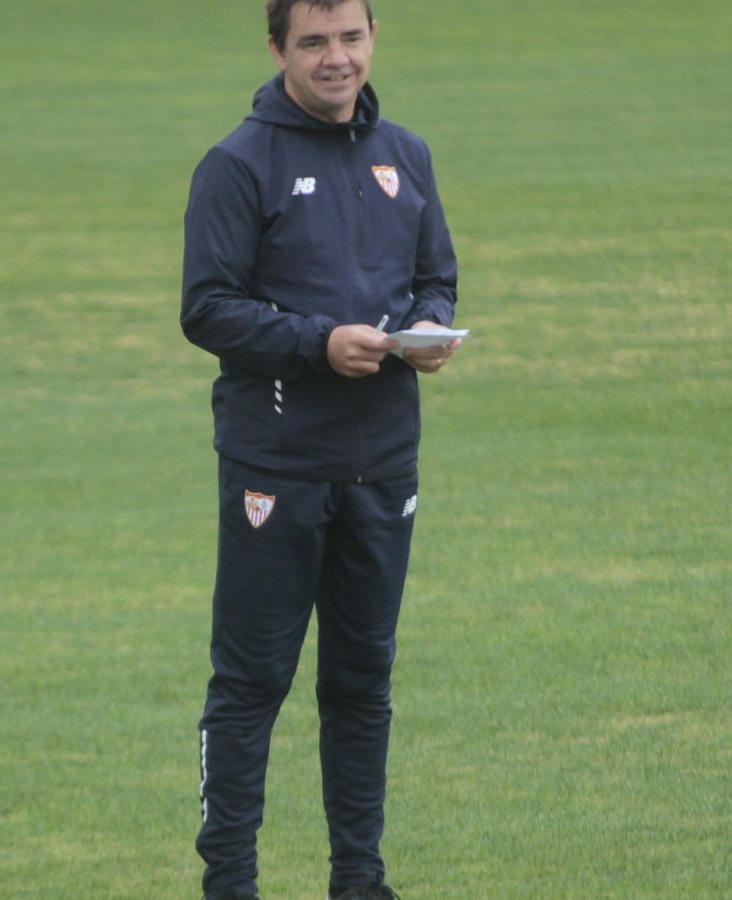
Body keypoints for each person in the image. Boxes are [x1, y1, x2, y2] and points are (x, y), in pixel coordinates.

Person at [179, 1, 463, 897]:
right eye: (314, 43)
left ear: (374, 38)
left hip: (384, 461)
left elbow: (436, 276)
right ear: (277, 50)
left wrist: (428, 328)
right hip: (277, 462)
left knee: (362, 681)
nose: (336, 59)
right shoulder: (237, 164)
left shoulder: (405, 155)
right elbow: (207, 307)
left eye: (350, 38)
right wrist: (316, 344)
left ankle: (360, 880)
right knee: (253, 680)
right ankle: (229, 882)